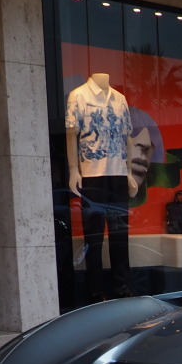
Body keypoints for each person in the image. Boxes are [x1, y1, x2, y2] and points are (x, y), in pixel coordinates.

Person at [66, 73, 137, 301]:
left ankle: (121, 287)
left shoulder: (120, 98)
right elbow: (70, 134)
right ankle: (95, 291)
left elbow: (127, 136)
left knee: (120, 235)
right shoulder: (78, 95)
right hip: (91, 174)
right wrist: (73, 170)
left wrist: (129, 171)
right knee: (94, 238)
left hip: (117, 173)